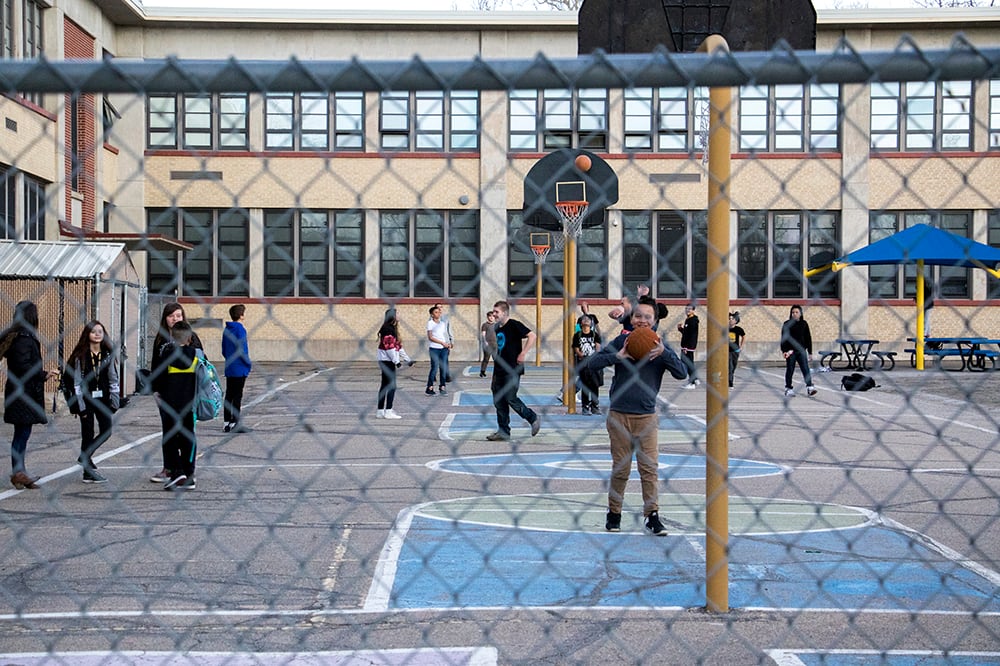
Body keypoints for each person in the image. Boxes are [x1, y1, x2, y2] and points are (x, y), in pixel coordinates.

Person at [588, 297, 688, 536]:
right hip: (619, 415)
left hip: (646, 417)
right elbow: (592, 363)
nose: (642, 320)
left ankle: (652, 516)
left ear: (655, 321)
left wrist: (665, 354)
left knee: (649, 469)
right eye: (638, 315)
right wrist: (617, 356)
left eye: (647, 317)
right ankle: (614, 514)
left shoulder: (659, 345)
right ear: (631, 319)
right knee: (621, 469)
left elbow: (682, 373)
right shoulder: (623, 340)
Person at [1, 301, 58, 490]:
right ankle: (19, 472)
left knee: (22, 432)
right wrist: (43, 374)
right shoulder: (24, 339)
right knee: (22, 433)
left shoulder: (18, 336)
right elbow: (22, 365)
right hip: (23, 394)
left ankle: (20, 472)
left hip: (20, 392)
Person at [149, 303, 203, 484]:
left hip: (172, 399)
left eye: (178, 315)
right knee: (178, 434)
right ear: (165, 318)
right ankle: (180, 470)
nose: (175, 319)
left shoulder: (181, 346)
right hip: (185, 399)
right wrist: (155, 390)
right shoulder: (162, 341)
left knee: (175, 435)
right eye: (171, 316)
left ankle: (178, 470)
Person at [66, 320, 120, 483]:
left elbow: (113, 378)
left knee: (107, 430)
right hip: (85, 399)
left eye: (100, 331)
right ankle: (87, 471)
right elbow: (76, 383)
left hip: (102, 399)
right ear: (87, 335)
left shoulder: (107, 354)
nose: (97, 334)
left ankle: (85, 456)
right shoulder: (80, 356)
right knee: (87, 433)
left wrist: (115, 401)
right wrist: (80, 407)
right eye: (93, 331)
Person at [487, 300, 541, 441]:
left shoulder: (514, 325)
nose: (494, 314)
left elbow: (532, 336)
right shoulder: (497, 328)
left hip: (512, 369)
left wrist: (523, 353)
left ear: (504, 313)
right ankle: (503, 431)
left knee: (510, 397)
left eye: (496, 312)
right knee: (499, 401)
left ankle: (532, 418)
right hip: (499, 369)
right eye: (493, 312)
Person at [221, 304, 252, 433]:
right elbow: (242, 350)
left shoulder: (227, 330)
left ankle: (226, 422)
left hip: (230, 366)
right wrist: (248, 363)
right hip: (240, 367)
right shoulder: (241, 330)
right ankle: (236, 422)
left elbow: (224, 349)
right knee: (237, 395)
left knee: (229, 394)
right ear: (241, 315)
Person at [376, 311, 412, 419]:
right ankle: (388, 411)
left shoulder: (392, 329)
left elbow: (398, 347)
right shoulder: (388, 330)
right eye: (397, 314)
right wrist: (396, 361)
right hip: (387, 361)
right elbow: (390, 348)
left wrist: (407, 359)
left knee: (384, 385)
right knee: (392, 386)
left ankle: (380, 411)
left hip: (386, 360)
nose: (399, 316)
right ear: (392, 316)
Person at [780, 304, 817, 398]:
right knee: (790, 369)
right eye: (793, 312)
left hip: (801, 351)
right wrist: (784, 351)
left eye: (796, 312)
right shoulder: (787, 324)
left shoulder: (804, 324)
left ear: (800, 313)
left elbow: (808, 338)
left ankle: (810, 387)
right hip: (790, 351)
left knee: (805, 369)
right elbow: (783, 339)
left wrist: (810, 352)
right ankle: (788, 388)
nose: (794, 314)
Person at [572, 314, 603, 415]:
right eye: (584, 320)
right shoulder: (578, 335)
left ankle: (595, 405)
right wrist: (582, 355)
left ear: (591, 324)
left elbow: (598, 348)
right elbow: (576, 348)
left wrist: (593, 357)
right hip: (583, 363)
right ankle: (585, 406)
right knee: (585, 385)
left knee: (594, 385)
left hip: (593, 363)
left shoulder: (595, 335)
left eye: (588, 320)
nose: (586, 321)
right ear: (581, 323)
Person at [425, 304, 452, 396]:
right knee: (434, 368)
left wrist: (447, 343)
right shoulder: (430, 323)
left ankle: (442, 386)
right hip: (434, 349)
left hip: (444, 349)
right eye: (436, 312)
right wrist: (441, 343)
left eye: (439, 312)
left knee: (443, 368)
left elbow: (444, 335)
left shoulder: (442, 323)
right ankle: (430, 387)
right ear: (432, 314)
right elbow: (430, 337)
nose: (438, 313)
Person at [678, 303, 700, 389]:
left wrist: (686, 347)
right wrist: (681, 329)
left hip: (689, 346)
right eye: (686, 309)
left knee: (687, 363)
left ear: (693, 310)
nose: (687, 310)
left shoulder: (693, 321)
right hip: (686, 345)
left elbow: (692, 335)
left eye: (690, 309)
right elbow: (687, 333)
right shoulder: (688, 320)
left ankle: (692, 383)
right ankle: (695, 379)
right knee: (689, 362)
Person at [728, 311, 746, 389]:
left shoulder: (738, 329)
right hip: (727, 351)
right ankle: (730, 383)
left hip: (735, 351)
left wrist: (741, 346)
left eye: (732, 319)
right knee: (730, 367)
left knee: (734, 366)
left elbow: (744, 336)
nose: (730, 320)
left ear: (736, 321)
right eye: (729, 318)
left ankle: (730, 378)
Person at [479, 310, 497, 378]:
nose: (491, 317)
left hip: (495, 344)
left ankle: (496, 372)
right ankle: (482, 372)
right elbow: (483, 334)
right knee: (486, 359)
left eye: (492, 316)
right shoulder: (485, 325)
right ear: (487, 317)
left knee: (496, 359)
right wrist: (485, 341)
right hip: (488, 344)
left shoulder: (496, 325)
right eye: (490, 316)